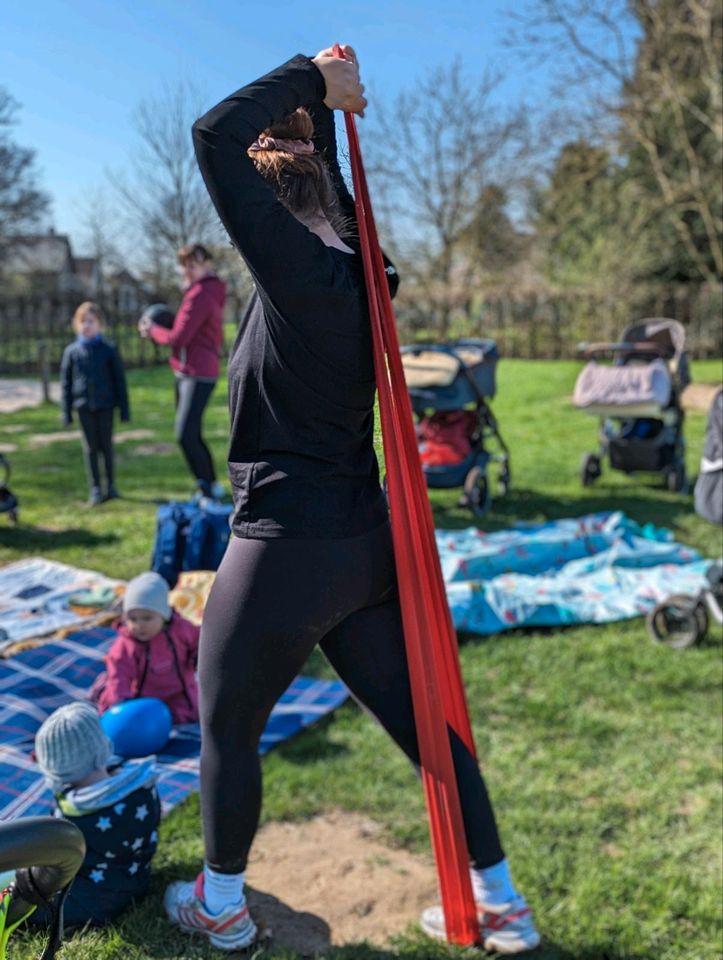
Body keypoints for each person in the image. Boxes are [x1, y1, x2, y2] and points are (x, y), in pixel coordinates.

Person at [163, 47, 540, 955]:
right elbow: (322, 183)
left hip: (287, 541)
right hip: (360, 547)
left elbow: (212, 134)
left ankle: (219, 904)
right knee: (427, 729)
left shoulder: (298, 279)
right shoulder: (364, 269)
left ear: (267, 208)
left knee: (224, 725)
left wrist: (306, 80)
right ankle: (500, 902)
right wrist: (325, 107)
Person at [32, 701, 161, 929]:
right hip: (138, 878)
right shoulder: (143, 785)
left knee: (24, 903)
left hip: (92, 903)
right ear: (103, 745)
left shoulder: (71, 815)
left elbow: (56, 866)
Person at [138, 244, 226, 500]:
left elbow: (178, 338)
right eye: (184, 264)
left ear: (207, 264)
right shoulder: (202, 291)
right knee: (191, 434)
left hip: (197, 372)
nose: (188, 269)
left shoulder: (201, 294)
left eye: (194, 264)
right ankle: (208, 485)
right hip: (188, 370)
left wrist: (151, 330)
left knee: (185, 434)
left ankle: (209, 486)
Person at [94, 571, 200, 724]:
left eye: (147, 618)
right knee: (132, 721)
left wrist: (197, 657)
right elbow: (120, 676)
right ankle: (103, 688)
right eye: (132, 618)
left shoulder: (180, 629)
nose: (139, 625)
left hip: (179, 692)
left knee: (190, 715)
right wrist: (121, 703)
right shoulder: (126, 645)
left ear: (164, 616)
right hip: (142, 699)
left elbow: (200, 640)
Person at [60, 302, 130, 506]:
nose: (87, 325)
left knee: (106, 447)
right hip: (84, 407)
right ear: (76, 325)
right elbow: (66, 383)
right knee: (90, 448)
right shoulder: (72, 352)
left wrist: (124, 410)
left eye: (91, 321)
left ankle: (111, 486)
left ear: (100, 324)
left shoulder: (108, 350)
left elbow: (119, 381)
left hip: (106, 405)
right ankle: (95, 489)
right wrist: (66, 411)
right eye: (83, 321)